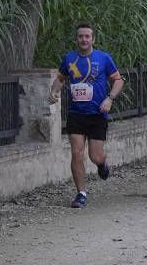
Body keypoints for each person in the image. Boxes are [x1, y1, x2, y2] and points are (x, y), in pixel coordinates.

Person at [48, 23, 125, 208]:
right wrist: (54, 92)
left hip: (97, 114)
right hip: (76, 114)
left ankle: (102, 163)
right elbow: (60, 78)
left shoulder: (103, 58)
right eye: (80, 36)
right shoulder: (69, 58)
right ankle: (81, 193)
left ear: (93, 39)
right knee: (76, 153)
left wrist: (110, 98)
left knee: (94, 156)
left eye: (87, 36)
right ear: (77, 39)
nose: (84, 39)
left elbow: (118, 80)